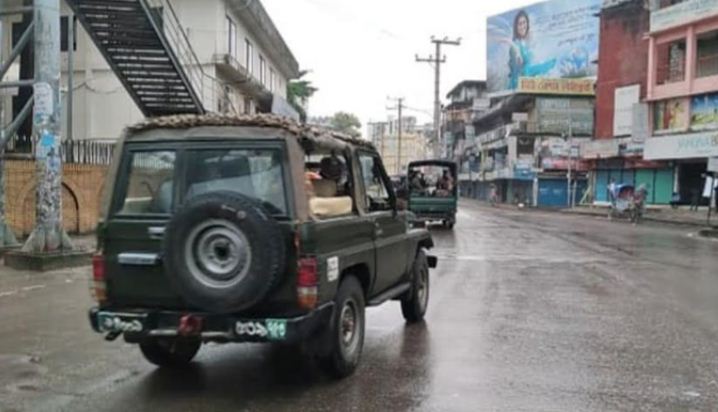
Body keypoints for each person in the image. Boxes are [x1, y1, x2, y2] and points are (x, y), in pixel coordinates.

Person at [507, 10, 557, 90]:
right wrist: (518, 55)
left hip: (527, 82)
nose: (523, 26)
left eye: (524, 22)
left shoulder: (525, 43)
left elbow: (529, 65)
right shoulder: (516, 44)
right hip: (519, 85)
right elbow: (517, 63)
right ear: (516, 27)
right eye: (520, 24)